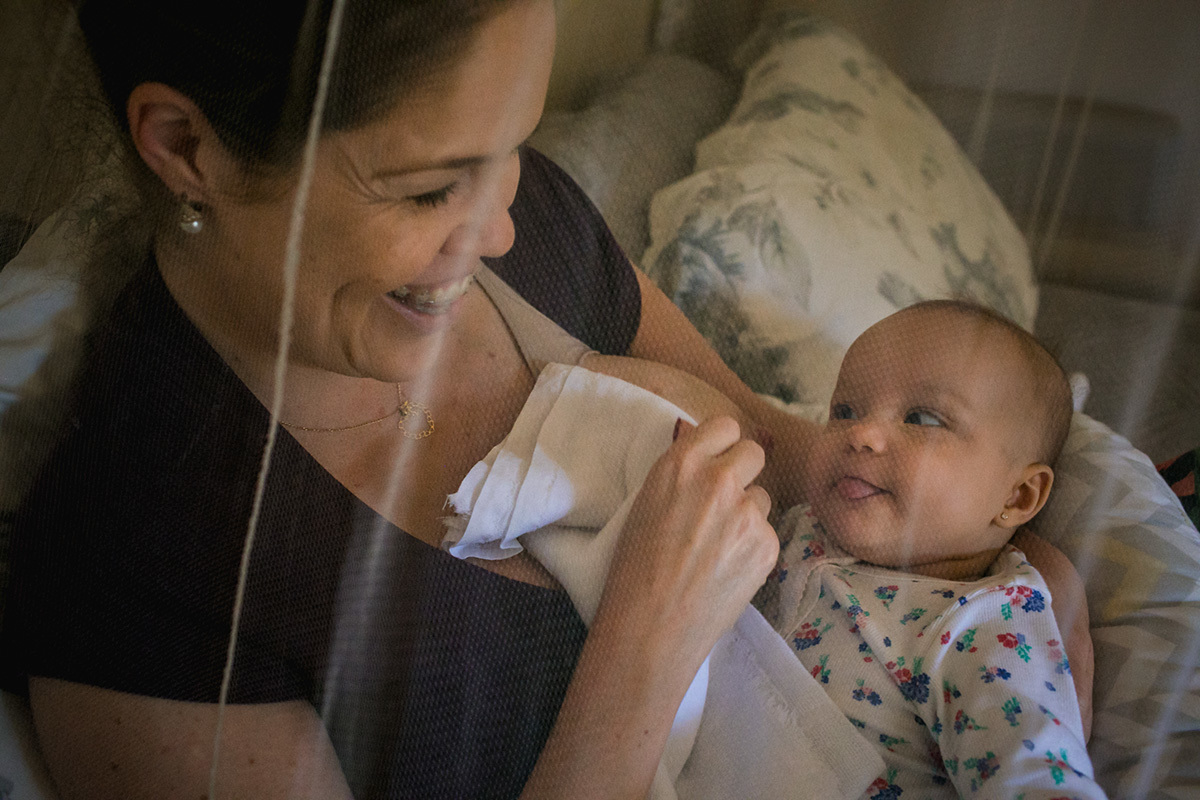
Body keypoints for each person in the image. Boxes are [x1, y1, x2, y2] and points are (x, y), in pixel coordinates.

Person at [0, 2, 1086, 798]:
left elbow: (788, 448)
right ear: (186, 148)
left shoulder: (545, 243)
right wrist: (645, 643)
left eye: (513, 146)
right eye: (430, 187)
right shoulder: (145, 572)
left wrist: (1009, 568)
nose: (501, 231)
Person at [767, 300, 1101, 798]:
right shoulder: (802, 528)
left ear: (1017, 496)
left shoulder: (987, 626)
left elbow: (1036, 775)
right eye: (844, 410)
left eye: (922, 418)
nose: (861, 433)